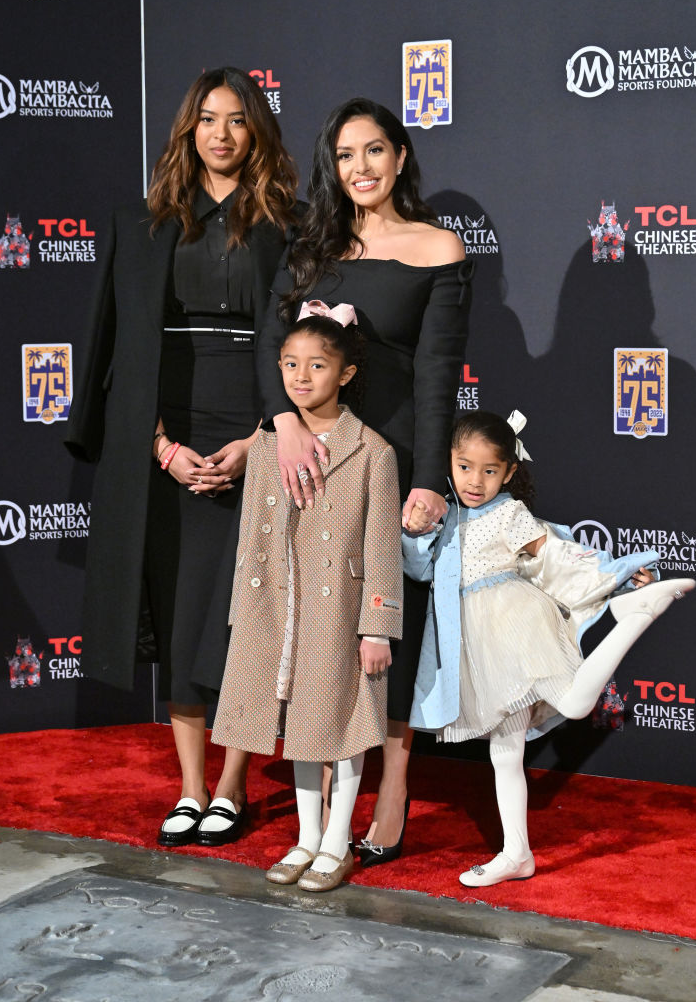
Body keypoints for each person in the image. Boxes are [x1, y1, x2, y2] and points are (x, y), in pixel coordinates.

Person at [63, 67, 300, 848]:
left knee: (239, 623)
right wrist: (160, 448)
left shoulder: (289, 226)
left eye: (236, 120)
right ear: (186, 131)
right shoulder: (142, 221)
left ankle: (232, 787)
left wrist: (259, 442)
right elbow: (115, 352)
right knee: (178, 615)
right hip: (168, 438)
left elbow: (308, 354)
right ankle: (192, 788)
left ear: (256, 132)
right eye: (207, 119)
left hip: (255, 431)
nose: (221, 134)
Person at [248, 97, 471, 865]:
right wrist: (281, 424)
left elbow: (440, 375)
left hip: (395, 452)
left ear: (400, 158)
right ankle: (324, 797)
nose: (361, 169)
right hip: (310, 452)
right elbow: (269, 345)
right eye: (345, 156)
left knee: (384, 626)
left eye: (375, 151)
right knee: (317, 615)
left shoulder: (437, 248)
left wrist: (431, 478)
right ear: (331, 166)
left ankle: (395, 778)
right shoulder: (311, 243)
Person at [403, 410, 696, 887]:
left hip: (517, 625)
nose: (475, 481)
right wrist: (415, 532)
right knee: (505, 751)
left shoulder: (510, 514)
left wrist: (619, 574)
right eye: (464, 466)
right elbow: (418, 572)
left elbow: (560, 559)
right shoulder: (441, 512)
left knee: (577, 703)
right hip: (476, 648)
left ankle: (634, 616)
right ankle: (516, 852)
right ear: (448, 463)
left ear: (510, 472)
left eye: (490, 470)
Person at [211, 308, 403, 890]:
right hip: (277, 609)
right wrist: (243, 613)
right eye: (290, 364)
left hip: (340, 614)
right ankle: (306, 838)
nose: (301, 376)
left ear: (344, 373)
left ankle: (338, 842)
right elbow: (253, 535)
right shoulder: (267, 445)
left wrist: (378, 627)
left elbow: (381, 548)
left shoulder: (374, 453)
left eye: (317, 365)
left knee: (344, 724)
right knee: (298, 726)